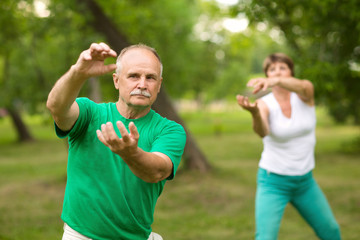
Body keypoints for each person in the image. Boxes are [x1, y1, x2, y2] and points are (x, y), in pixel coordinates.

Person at [46, 42, 186, 240]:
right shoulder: (89, 113)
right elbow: (56, 108)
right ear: (116, 80)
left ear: (159, 84)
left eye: (151, 78)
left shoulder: (169, 130)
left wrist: (131, 153)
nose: (143, 84)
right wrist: (78, 72)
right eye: (134, 76)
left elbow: (158, 170)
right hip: (81, 235)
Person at [236, 53, 341, 240]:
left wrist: (276, 80)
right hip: (273, 182)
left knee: (331, 231)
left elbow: (301, 86)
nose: (277, 72)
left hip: (305, 182)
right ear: (266, 75)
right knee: (265, 237)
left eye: (282, 68)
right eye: (272, 69)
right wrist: (255, 114)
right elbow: (263, 132)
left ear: (291, 71)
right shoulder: (264, 103)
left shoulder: (305, 93)